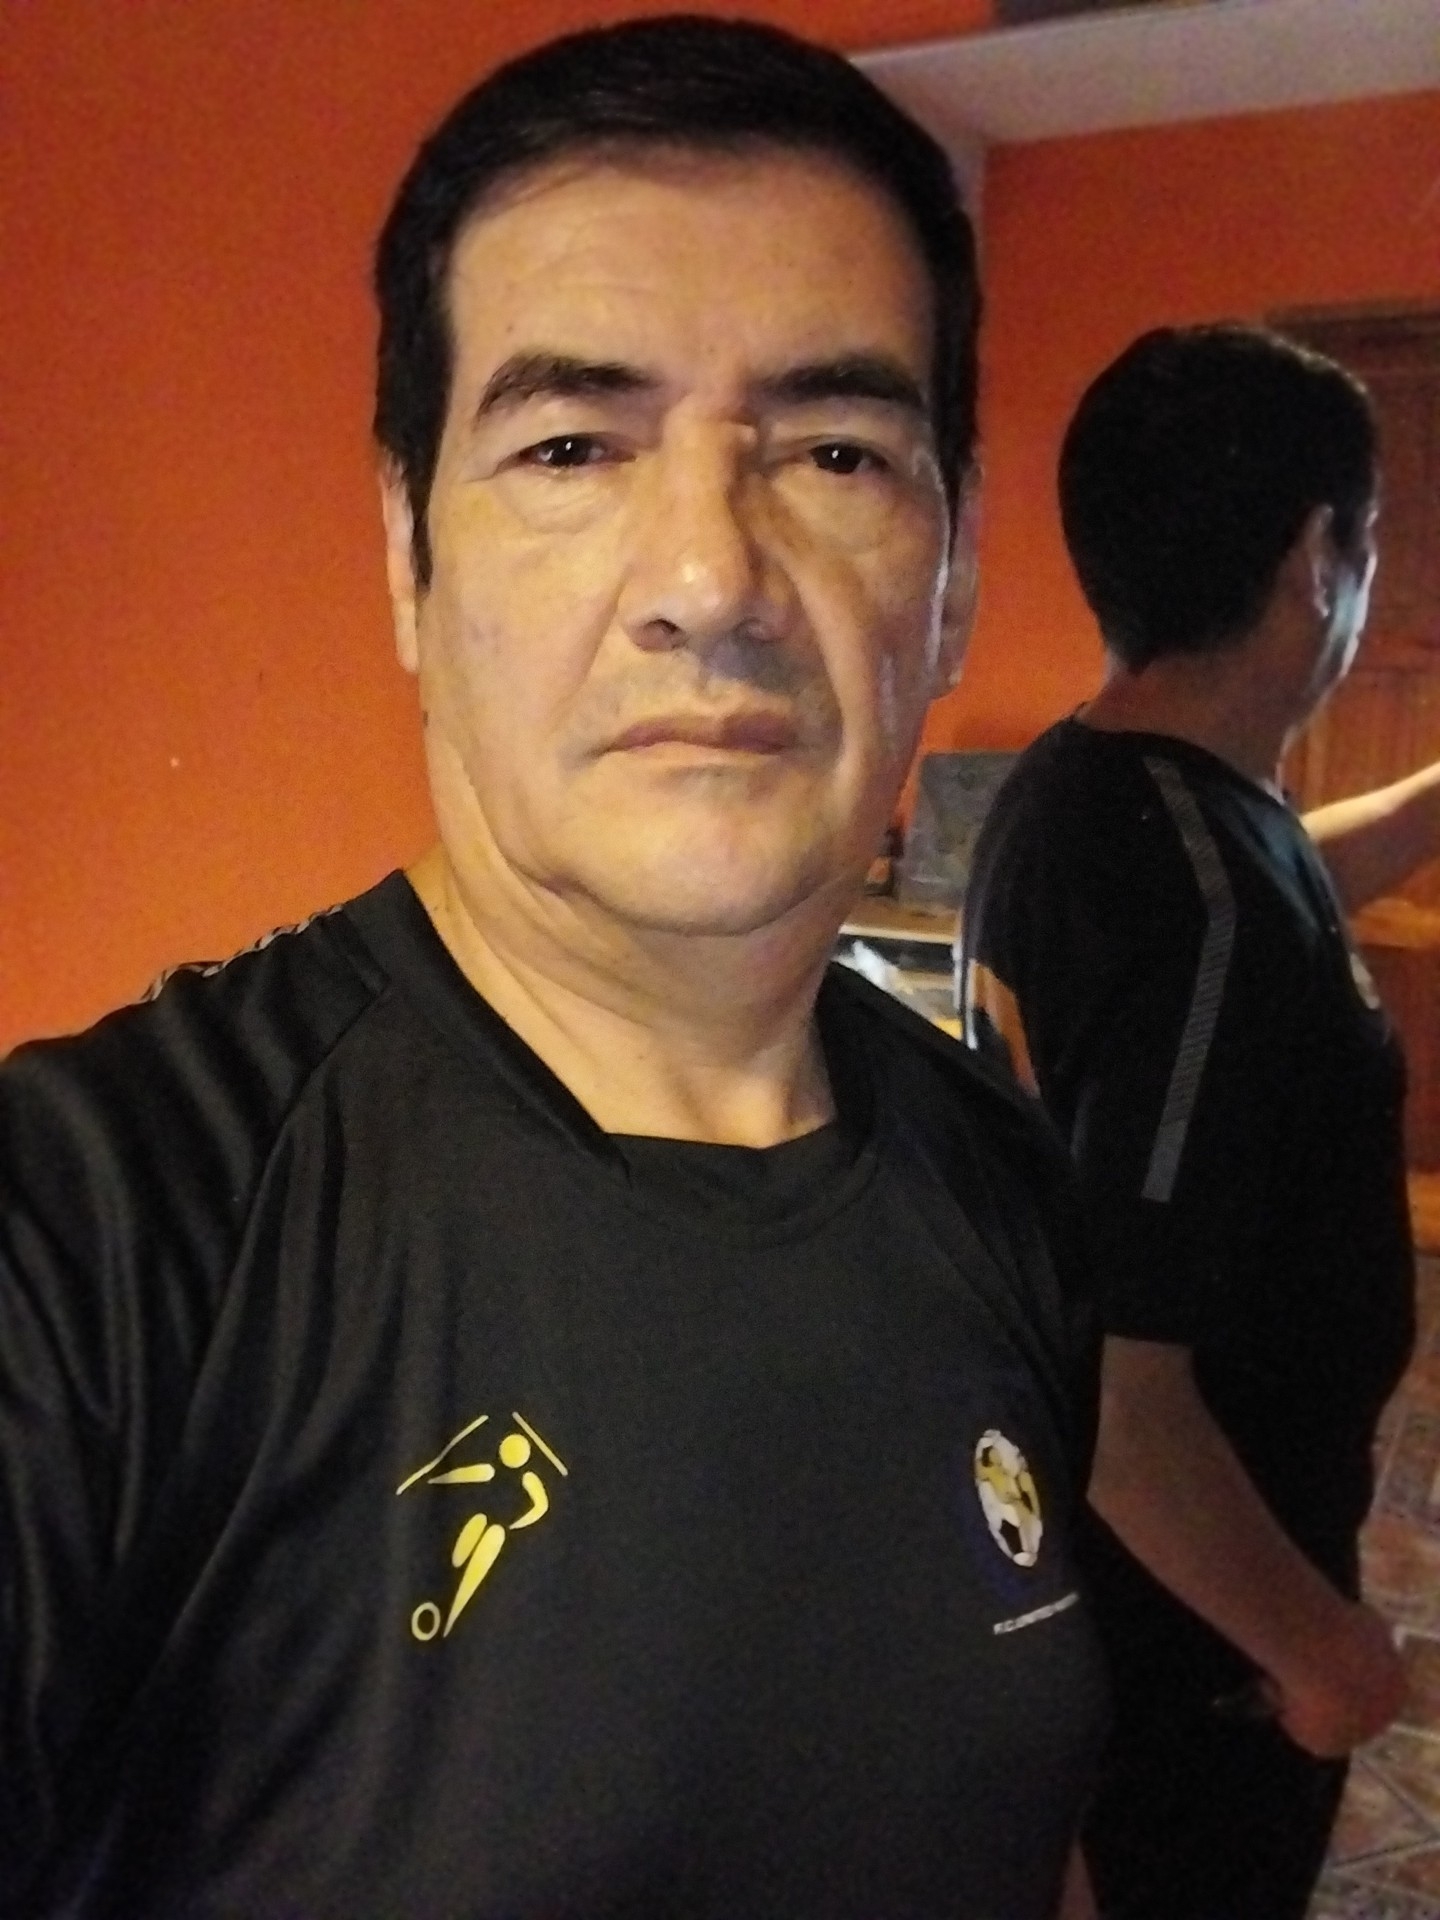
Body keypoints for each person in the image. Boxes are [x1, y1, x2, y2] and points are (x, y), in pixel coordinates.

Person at [0, 18, 1110, 1917]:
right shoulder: (94, 1231)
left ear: (953, 573)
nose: (710, 578)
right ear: (409, 557)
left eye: (836, 451)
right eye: (574, 446)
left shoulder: (998, 1170)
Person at [959, 321, 1438, 1920]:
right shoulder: (1208, 916)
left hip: (1077, 1591)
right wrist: (1327, 1654)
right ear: (1318, 559)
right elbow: (1128, 1405)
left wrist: (1429, 802)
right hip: (1193, 1634)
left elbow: (1277, 884)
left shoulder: (1093, 791)